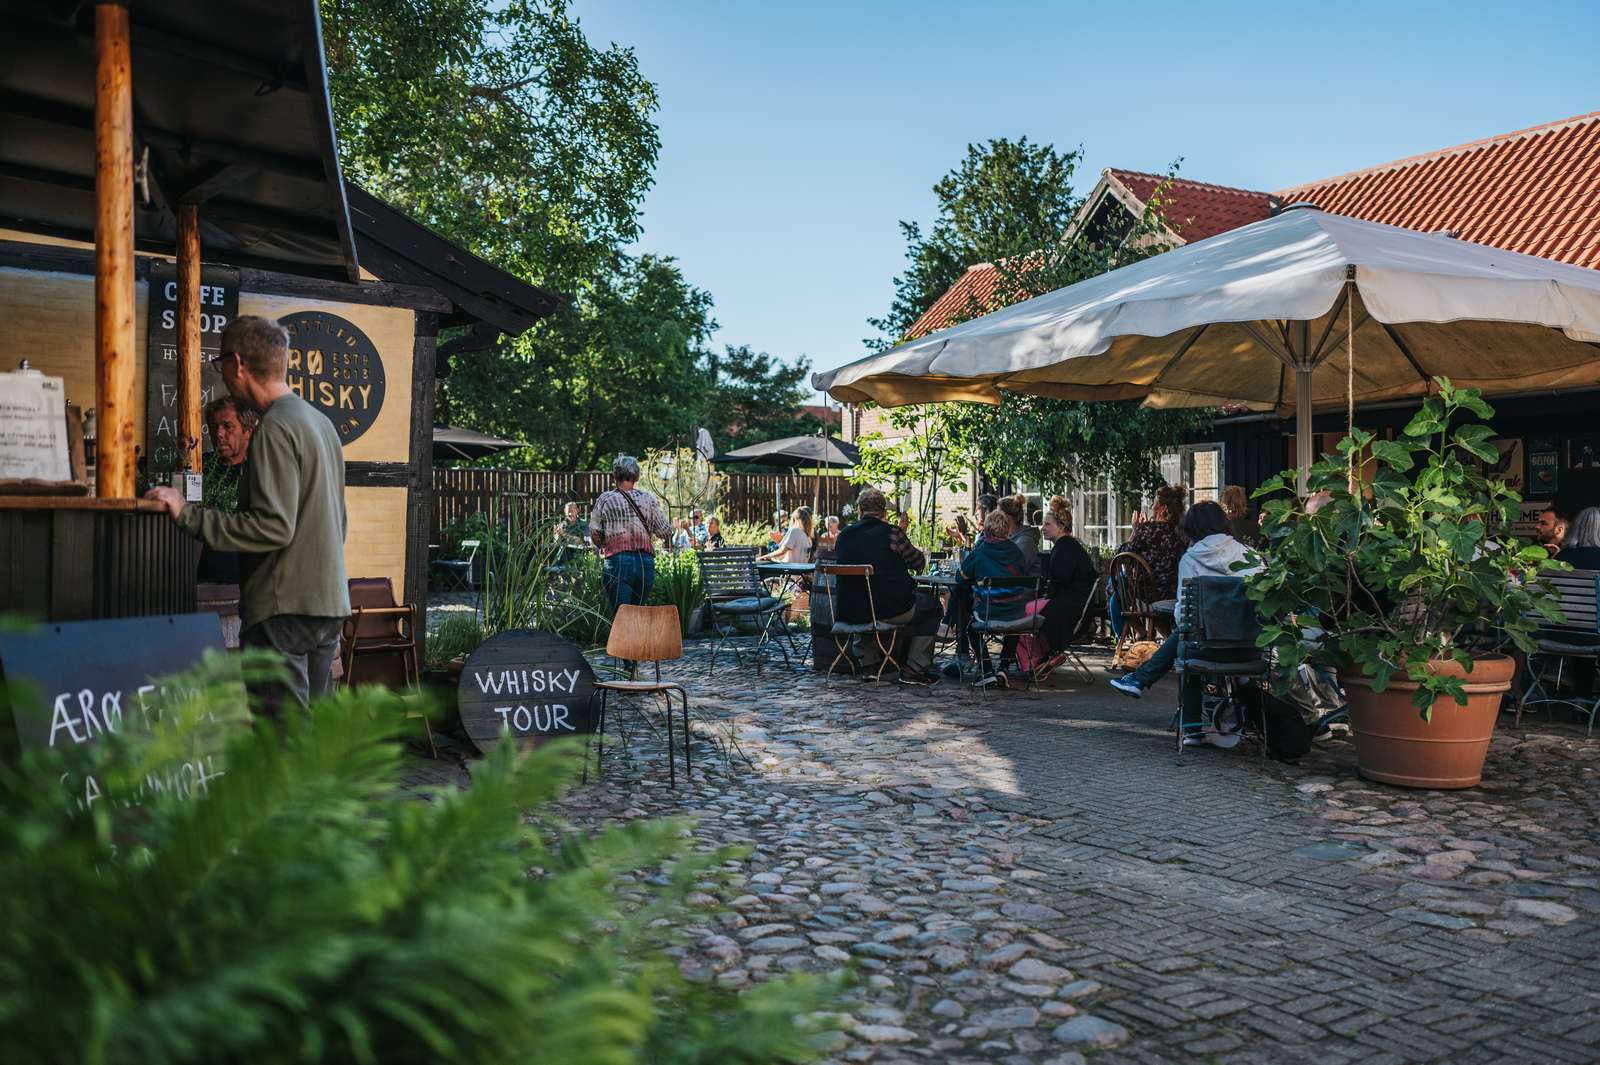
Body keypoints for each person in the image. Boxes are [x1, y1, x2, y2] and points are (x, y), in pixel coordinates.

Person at [145, 316, 348, 717]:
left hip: (283, 612)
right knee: (314, 748)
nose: (223, 376)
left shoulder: (275, 428)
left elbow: (272, 526)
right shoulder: (321, 424)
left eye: (220, 365)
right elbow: (339, 522)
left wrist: (186, 513)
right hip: (329, 607)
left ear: (237, 364)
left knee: (279, 749)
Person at [1109, 502, 1264, 738]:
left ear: (1192, 528)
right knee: (1189, 637)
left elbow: (1184, 616)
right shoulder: (1250, 557)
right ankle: (1141, 680)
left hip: (1205, 650)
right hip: (1250, 649)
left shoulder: (1191, 559)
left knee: (1186, 641)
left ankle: (1190, 727)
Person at [834, 488, 942, 684]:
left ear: (859, 511)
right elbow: (918, 563)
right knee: (933, 607)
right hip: (888, 609)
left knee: (865, 599)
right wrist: (902, 535)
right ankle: (915, 668)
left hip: (848, 610)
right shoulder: (892, 533)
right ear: (884, 512)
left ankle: (869, 665)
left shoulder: (844, 536)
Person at [1018, 496, 1097, 676]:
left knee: (1019, 615)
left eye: (1047, 524)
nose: (1042, 528)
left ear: (1060, 526)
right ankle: (1043, 657)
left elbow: (1060, 579)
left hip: (1068, 607)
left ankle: (1037, 661)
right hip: (1074, 604)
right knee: (1024, 611)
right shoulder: (1068, 546)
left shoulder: (1065, 548)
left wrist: (1044, 589)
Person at [589, 454, 672, 612]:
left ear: (615, 476)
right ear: (637, 476)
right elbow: (665, 531)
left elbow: (594, 531)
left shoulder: (605, 499)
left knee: (622, 617)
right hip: (645, 564)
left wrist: (603, 544)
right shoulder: (648, 499)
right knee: (637, 615)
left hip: (617, 562)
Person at [958, 508, 1030, 686]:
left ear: (987, 530)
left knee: (971, 627)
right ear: (1007, 530)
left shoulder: (981, 551)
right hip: (1016, 614)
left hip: (989, 612)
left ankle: (987, 669)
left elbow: (961, 577)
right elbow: (1023, 573)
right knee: (1013, 619)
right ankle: (1004, 668)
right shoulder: (1016, 552)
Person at [194, 395, 256, 584]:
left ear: (247, 431)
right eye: (214, 427)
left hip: (247, 583)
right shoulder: (199, 467)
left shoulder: (259, 471)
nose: (218, 434)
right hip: (200, 581)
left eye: (227, 426)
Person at [997, 493, 1042, 576]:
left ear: (1007, 517)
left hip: (1022, 587)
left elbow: (1013, 570)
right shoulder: (1008, 538)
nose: (996, 519)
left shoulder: (1025, 541)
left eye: (998, 515)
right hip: (1009, 587)